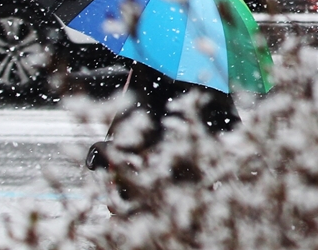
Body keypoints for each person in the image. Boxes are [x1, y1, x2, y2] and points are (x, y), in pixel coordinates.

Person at [86, 61, 240, 171]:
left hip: (152, 166)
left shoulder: (147, 66)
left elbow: (130, 119)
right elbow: (231, 128)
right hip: (190, 168)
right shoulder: (209, 74)